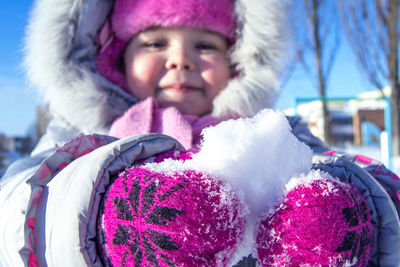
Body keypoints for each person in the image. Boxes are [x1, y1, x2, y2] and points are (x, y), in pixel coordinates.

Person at [0, 0, 399, 266]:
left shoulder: (273, 133)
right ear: (116, 60)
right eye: (155, 42)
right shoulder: (80, 133)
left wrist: (352, 210)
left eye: (205, 46)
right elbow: (17, 209)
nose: (180, 60)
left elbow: (354, 173)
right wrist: (104, 216)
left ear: (238, 64)